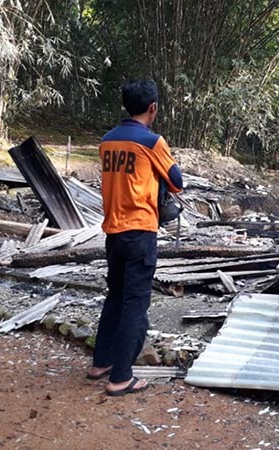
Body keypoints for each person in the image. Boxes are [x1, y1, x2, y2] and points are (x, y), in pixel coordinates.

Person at [88, 80, 183, 396]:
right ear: (153, 107)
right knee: (135, 303)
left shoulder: (107, 142)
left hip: (113, 233)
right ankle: (121, 377)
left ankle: (100, 363)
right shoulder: (152, 142)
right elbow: (177, 181)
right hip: (140, 231)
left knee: (114, 296)